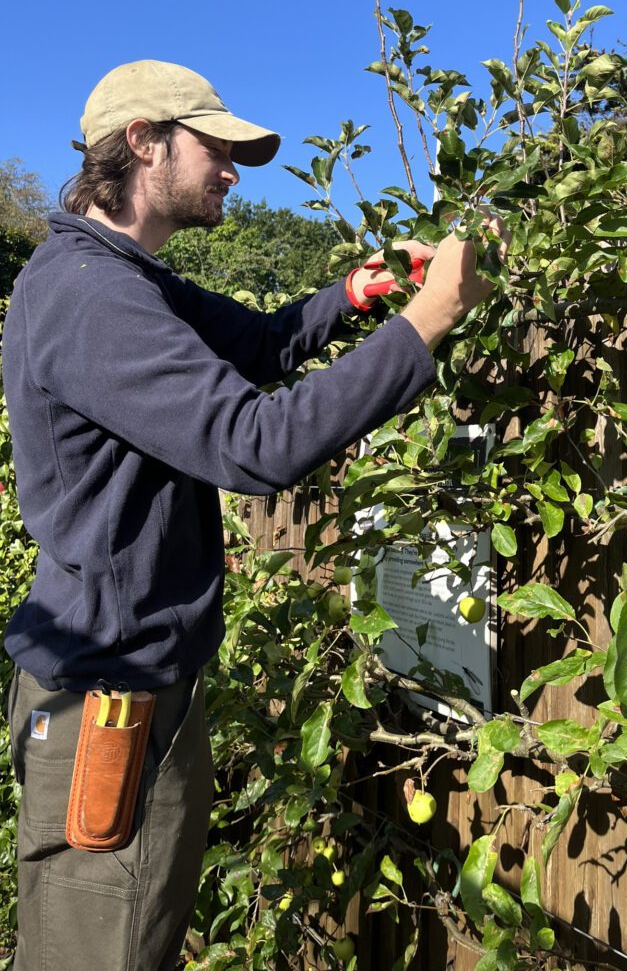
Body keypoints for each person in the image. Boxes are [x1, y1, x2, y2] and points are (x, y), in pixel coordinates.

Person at [1, 59, 507, 971]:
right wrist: (428, 321)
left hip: (138, 687)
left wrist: (360, 296)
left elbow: (259, 343)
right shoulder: (92, 297)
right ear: (144, 142)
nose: (233, 170)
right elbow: (254, 443)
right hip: (108, 708)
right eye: (217, 148)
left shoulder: (124, 275)